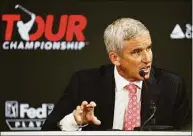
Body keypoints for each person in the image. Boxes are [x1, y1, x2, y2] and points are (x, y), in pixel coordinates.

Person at [41, 18, 190, 131]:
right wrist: (75, 121)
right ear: (115, 58)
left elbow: (185, 132)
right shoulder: (84, 83)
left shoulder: (172, 86)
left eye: (149, 48)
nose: (147, 58)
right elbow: (47, 130)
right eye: (137, 52)